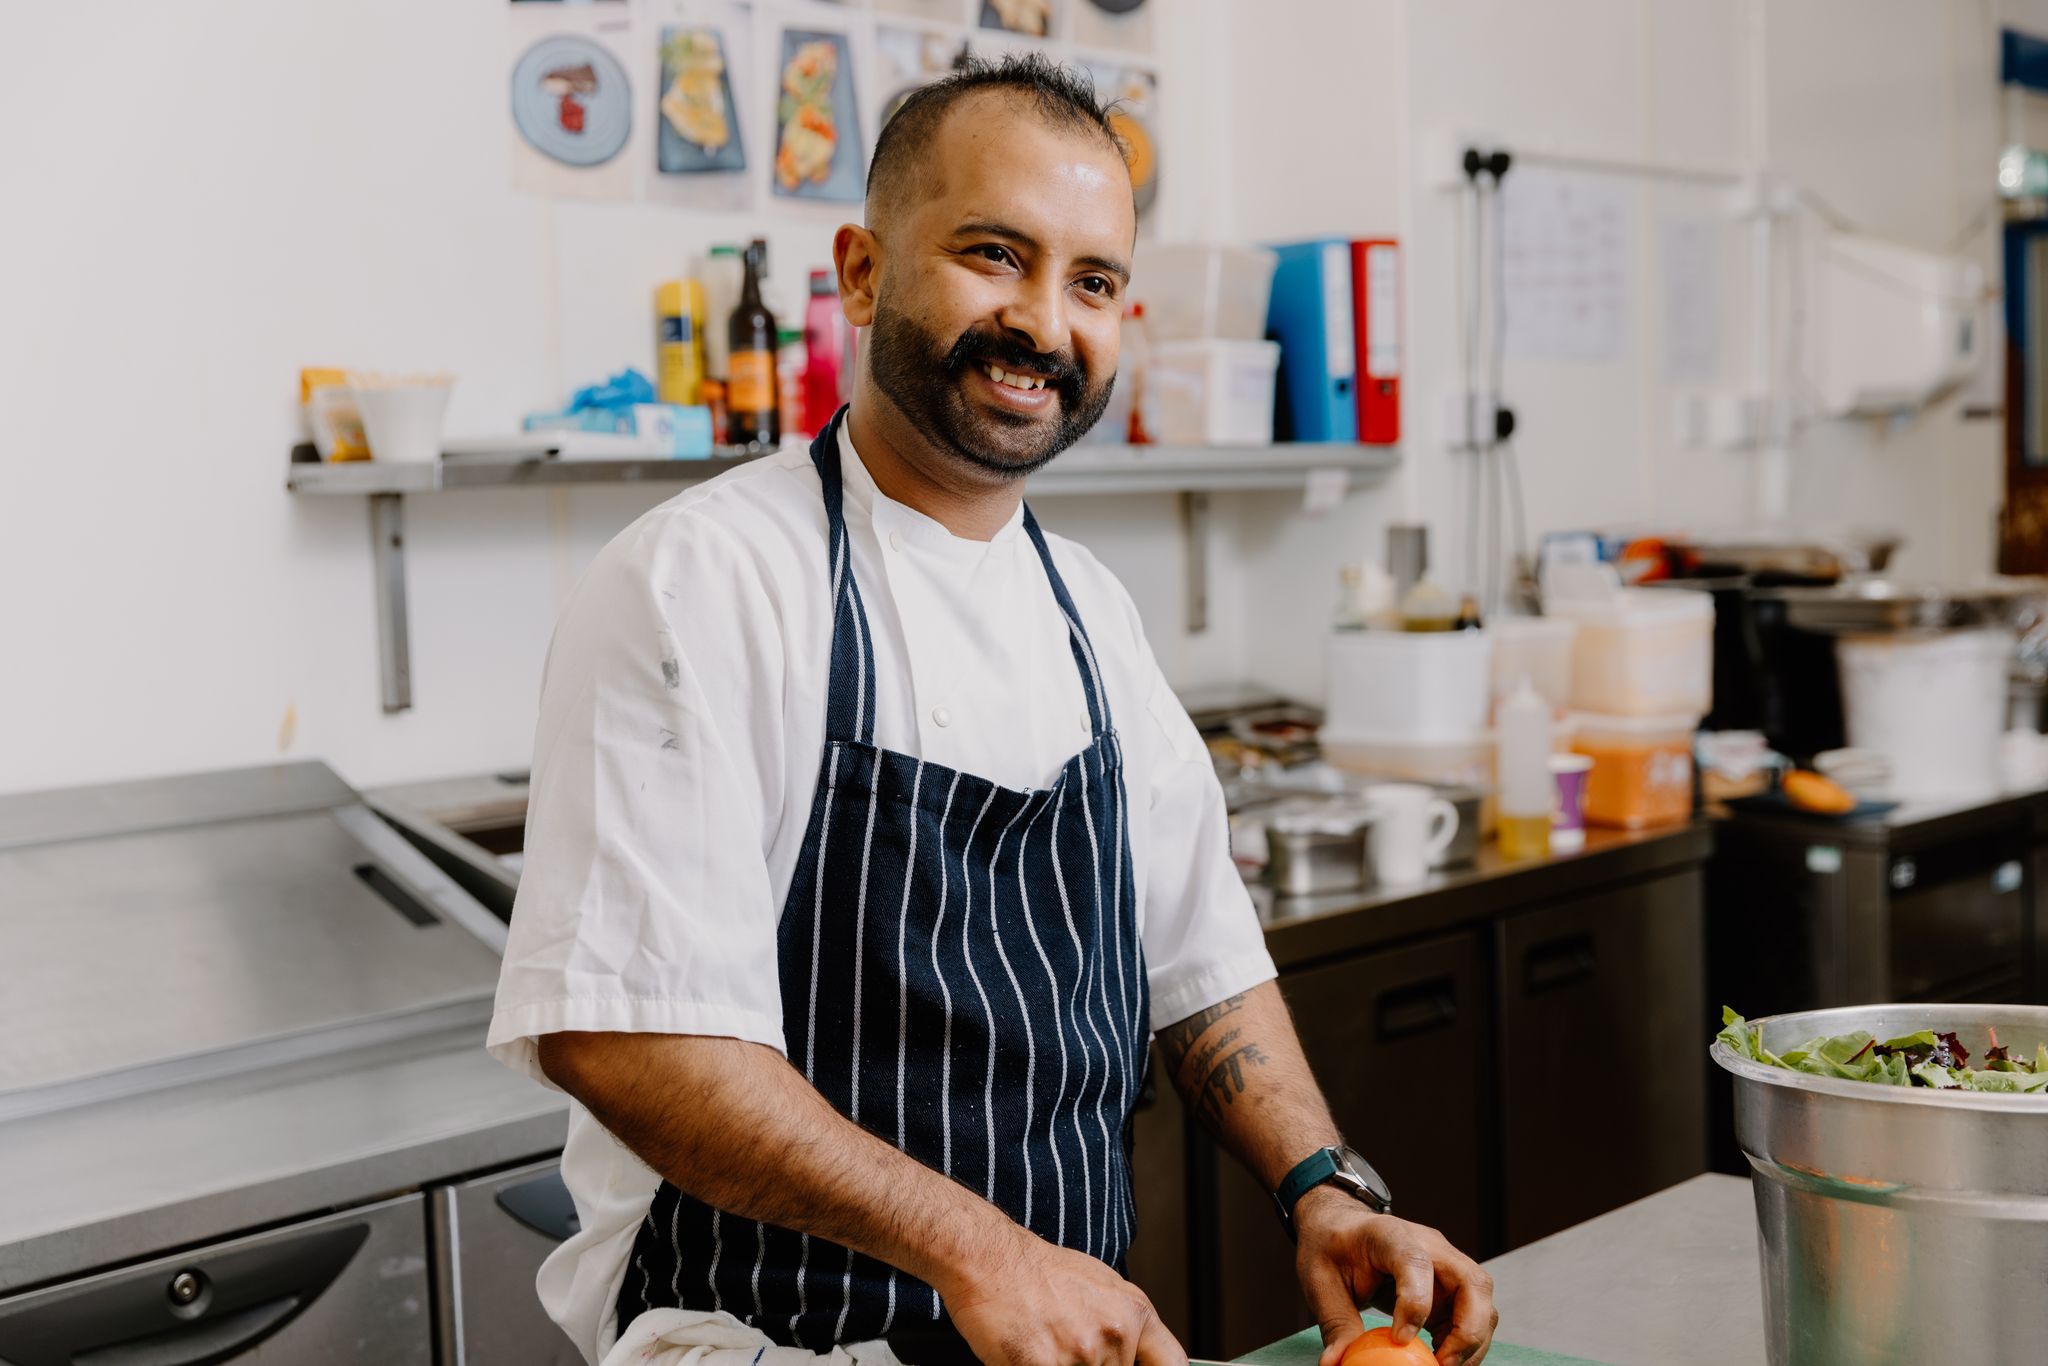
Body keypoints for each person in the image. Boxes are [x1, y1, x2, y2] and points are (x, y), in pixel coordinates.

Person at [488, 53, 1497, 1366]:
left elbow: (1198, 958)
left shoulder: (1089, 616)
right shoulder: (702, 585)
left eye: (1094, 282)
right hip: (763, 1339)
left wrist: (1325, 1183)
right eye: (992, 252)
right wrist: (981, 1249)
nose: (1042, 320)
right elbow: (632, 1040)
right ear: (861, 271)